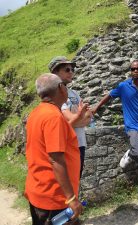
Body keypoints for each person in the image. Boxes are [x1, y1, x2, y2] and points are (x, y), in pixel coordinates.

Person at [92, 60, 138, 204]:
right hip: (132, 127)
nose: (136, 71)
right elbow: (109, 96)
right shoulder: (124, 86)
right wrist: (96, 107)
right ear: (130, 71)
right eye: (133, 69)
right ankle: (129, 154)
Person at [24, 73, 85, 225]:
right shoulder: (53, 117)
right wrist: (71, 198)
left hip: (39, 190)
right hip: (54, 197)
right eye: (64, 85)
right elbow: (55, 159)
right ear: (60, 88)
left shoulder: (36, 113)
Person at [48, 56, 92, 178]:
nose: (71, 72)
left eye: (72, 69)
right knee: (67, 182)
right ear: (55, 73)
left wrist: (77, 119)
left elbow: (89, 117)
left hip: (80, 143)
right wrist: (79, 117)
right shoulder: (56, 95)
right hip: (66, 145)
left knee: (76, 179)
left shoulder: (74, 93)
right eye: (67, 69)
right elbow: (68, 119)